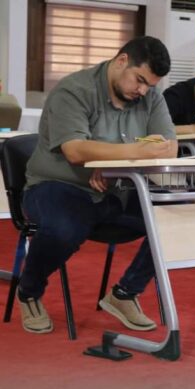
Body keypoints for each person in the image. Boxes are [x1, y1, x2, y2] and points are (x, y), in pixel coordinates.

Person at [18, 36, 178, 334]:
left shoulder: (151, 97)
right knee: (64, 228)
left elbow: (169, 148)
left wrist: (111, 163)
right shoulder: (74, 90)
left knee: (176, 215)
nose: (143, 91)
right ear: (121, 61)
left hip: (117, 188)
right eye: (140, 80)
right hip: (57, 185)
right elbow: (75, 150)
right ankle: (29, 292)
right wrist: (131, 152)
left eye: (150, 86)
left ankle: (125, 293)